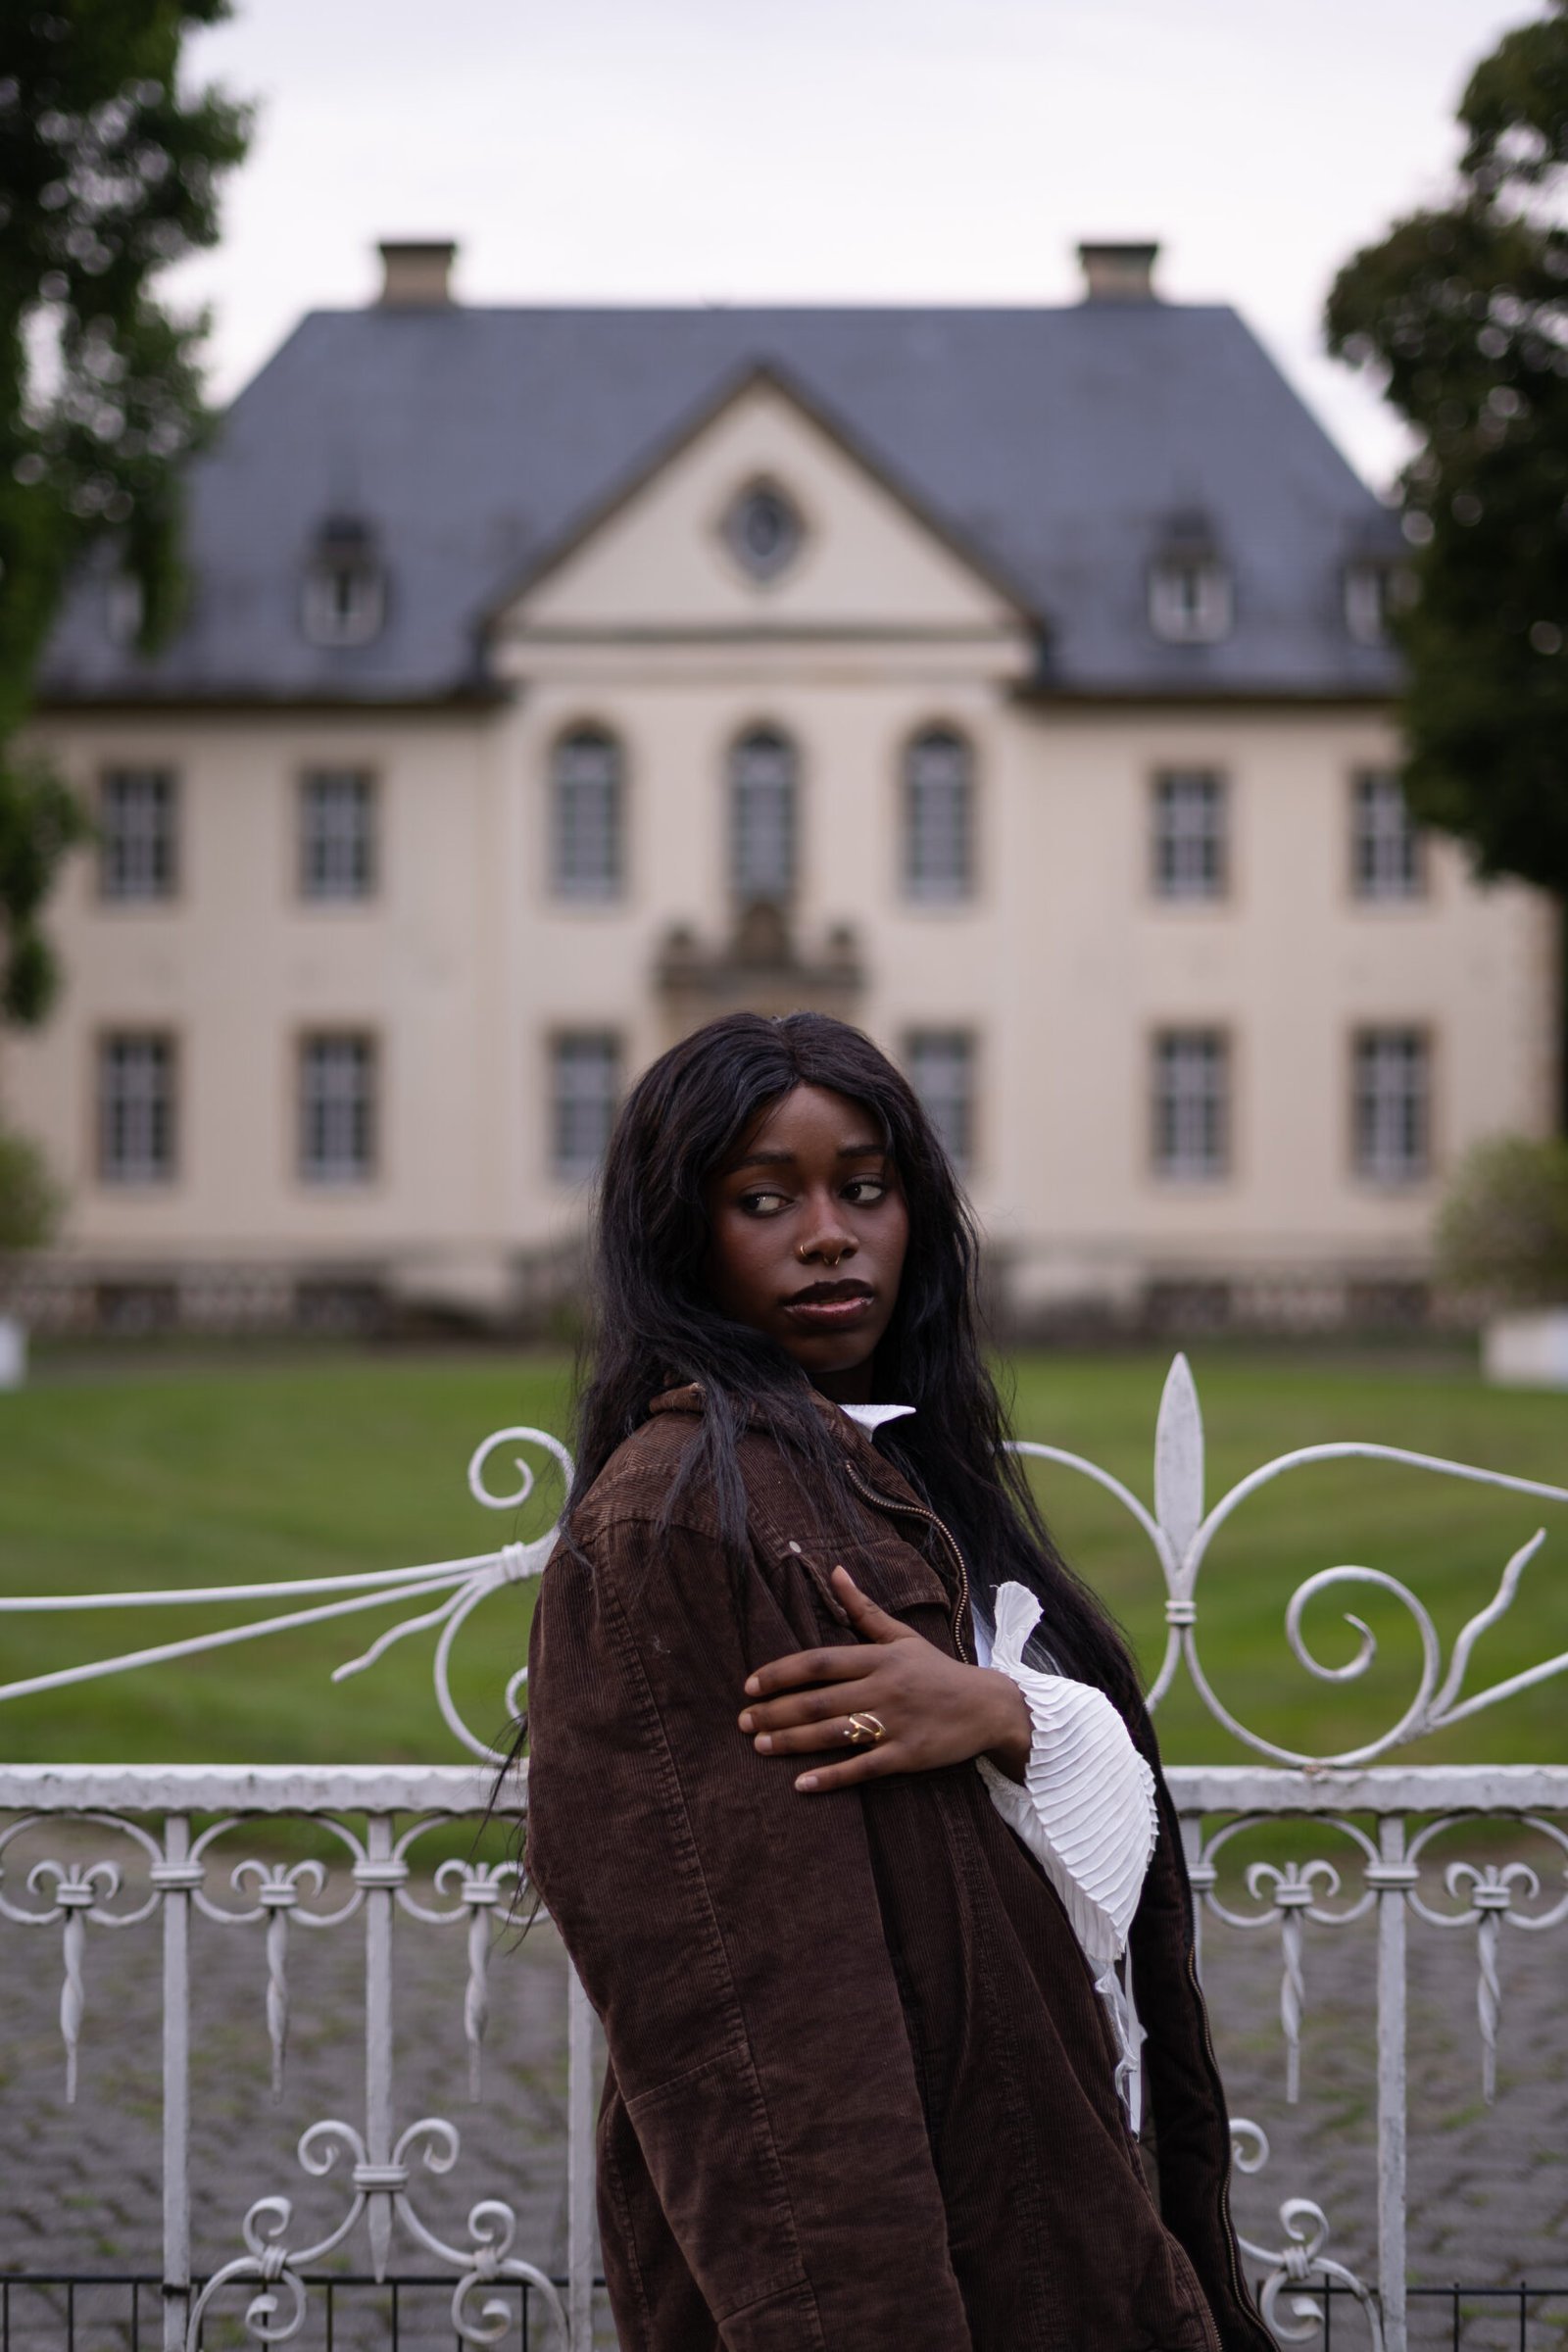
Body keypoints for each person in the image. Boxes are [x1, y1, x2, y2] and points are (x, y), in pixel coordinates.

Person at [524, 1010, 1272, 2352]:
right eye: (765, 1199)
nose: (828, 1234)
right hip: (908, 2272)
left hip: (1049, 2198)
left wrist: (1007, 1712)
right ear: (681, 1232)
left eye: (864, 1189)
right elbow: (763, 2034)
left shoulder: (892, 1469)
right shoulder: (683, 1523)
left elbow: (1052, 1855)